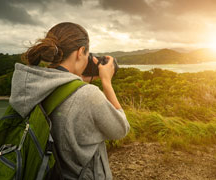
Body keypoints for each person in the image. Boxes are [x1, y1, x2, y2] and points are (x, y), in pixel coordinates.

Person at [9, 22, 130, 179]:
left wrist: (78, 82)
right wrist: (106, 82)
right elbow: (121, 129)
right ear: (80, 52)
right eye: (87, 55)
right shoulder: (88, 95)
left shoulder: (32, 87)